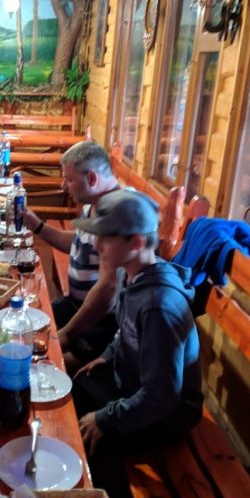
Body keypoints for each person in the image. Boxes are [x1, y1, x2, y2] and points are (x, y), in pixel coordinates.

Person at [71, 189, 203, 461]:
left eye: (105, 238)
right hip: (134, 380)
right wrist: (108, 354)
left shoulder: (159, 306)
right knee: (75, 389)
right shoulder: (130, 274)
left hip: (167, 415)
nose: (96, 245)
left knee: (85, 439)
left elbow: (162, 395)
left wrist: (104, 419)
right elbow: (125, 327)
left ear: (136, 242)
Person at [23, 141, 121, 369]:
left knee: (41, 365)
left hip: (101, 321)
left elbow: (108, 293)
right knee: (25, 324)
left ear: (92, 178)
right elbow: (79, 243)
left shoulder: (117, 216)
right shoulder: (95, 203)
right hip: (75, 304)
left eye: (69, 179)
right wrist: (37, 225)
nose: (63, 185)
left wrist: (67, 334)